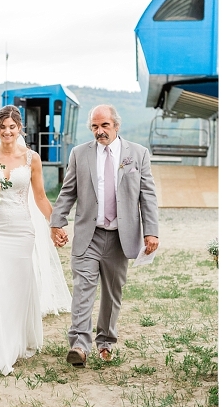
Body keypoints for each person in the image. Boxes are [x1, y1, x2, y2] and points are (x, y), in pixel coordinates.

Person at [51, 104, 159, 367]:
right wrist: (57, 222)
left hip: (121, 237)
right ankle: (79, 345)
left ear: (116, 125)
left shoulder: (138, 154)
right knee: (83, 289)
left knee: (112, 293)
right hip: (89, 234)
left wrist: (151, 231)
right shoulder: (79, 154)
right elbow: (68, 192)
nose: (99, 131)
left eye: (104, 126)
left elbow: (148, 195)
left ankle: (106, 342)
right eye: (95, 127)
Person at [0, 105, 64, 375]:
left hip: (22, 230)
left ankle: (13, 342)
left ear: (19, 129)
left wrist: (55, 224)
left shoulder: (32, 158)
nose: (7, 131)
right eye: (2, 127)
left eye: (12, 127)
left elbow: (41, 197)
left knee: (16, 288)